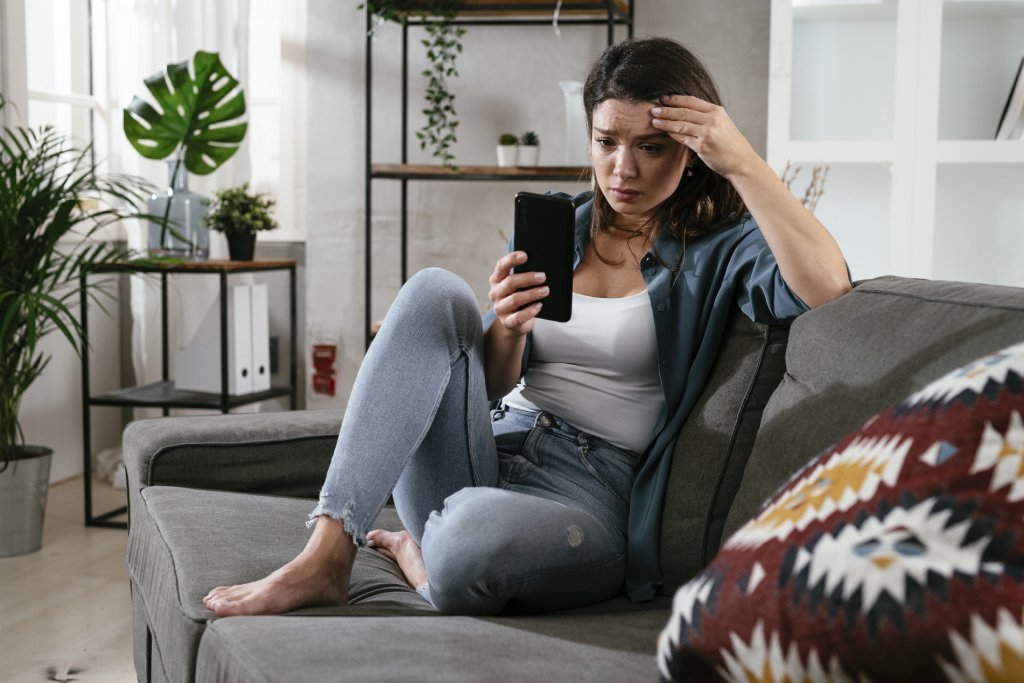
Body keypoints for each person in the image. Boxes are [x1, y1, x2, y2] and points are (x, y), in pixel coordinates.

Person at [203, 36, 851, 617]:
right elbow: (490, 382)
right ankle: (326, 551)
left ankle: (425, 554)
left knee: (463, 538)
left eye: (650, 147)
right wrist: (510, 328)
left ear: (691, 147)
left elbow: (827, 288)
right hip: (493, 446)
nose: (623, 168)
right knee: (434, 291)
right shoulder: (561, 226)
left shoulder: (719, 247)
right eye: (607, 142)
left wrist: (743, 160)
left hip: (588, 497)